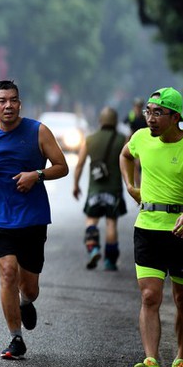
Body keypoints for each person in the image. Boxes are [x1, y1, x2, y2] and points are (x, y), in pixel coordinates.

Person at [120, 87, 183, 367]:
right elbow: (124, 154)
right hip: (147, 227)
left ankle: (182, 361)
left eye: (158, 113)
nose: (150, 118)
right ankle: (151, 363)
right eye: (148, 111)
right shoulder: (141, 138)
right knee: (149, 297)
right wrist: (131, 186)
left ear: (175, 117)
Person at [0, 80, 68, 360]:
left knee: (30, 287)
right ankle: (16, 338)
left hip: (32, 217)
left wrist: (36, 175)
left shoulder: (38, 131)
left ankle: (26, 302)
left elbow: (62, 166)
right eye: (2, 101)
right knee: (7, 272)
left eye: (13, 100)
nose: (8, 105)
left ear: (20, 103)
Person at [72, 107, 127, 270]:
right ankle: (110, 261)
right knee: (111, 224)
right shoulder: (122, 139)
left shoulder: (89, 140)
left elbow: (80, 164)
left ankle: (93, 248)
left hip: (94, 190)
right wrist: (134, 185)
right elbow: (132, 163)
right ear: (115, 121)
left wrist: (75, 185)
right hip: (114, 190)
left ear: (100, 120)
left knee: (91, 221)